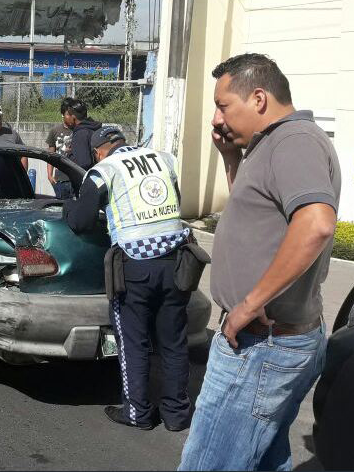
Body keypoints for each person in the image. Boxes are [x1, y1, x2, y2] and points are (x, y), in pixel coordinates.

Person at [178, 53, 339, 471]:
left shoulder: (293, 141)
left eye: (223, 105)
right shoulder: (269, 146)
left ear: (259, 98)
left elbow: (316, 223)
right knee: (263, 458)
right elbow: (257, 215)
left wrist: (248, 305)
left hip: (259, 344)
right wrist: (231, 159)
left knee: (208, 464)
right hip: (266, 341)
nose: (217, 118)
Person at [64, 126, 193, 432]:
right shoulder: (164, 158)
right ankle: (176, 415)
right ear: (122, 141)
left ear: (98, 151)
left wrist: (69, 207)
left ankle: (138, 413)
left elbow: (81, 221)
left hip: (135, 265)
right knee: (173, 342)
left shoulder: (102, 170)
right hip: (177, 261)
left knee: (133, 342)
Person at [45, 98, 75, 199]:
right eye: (68, 114)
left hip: (76, 178)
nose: (71, 117)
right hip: (60, 179)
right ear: (62, 114)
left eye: (73, 114)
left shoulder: (80, 131)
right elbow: (51, 154)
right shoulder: (55, 131)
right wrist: (49, 175)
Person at [64, 99, 103, 171]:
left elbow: (83, 163)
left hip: (87, 178)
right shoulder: (94, 128)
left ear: (73, 117)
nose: (65, 118)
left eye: (67, 114)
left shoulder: (81, 134)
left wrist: (69, 154)